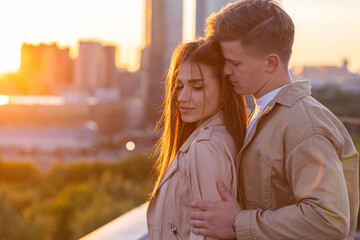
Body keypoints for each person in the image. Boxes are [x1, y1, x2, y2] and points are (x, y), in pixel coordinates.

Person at [190, 0, 359, 239]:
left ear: (270, 63)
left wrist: (238, 223)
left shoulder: (304, 125)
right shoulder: (264, 111)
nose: (226, 71)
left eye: (235, 63)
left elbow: (328, 221)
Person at [146, 39, 248, 239]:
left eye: (197, 87)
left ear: (224, 93)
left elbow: (207, 234)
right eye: (180, 86)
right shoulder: (219, 138)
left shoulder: (205, 147)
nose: (182, 97)